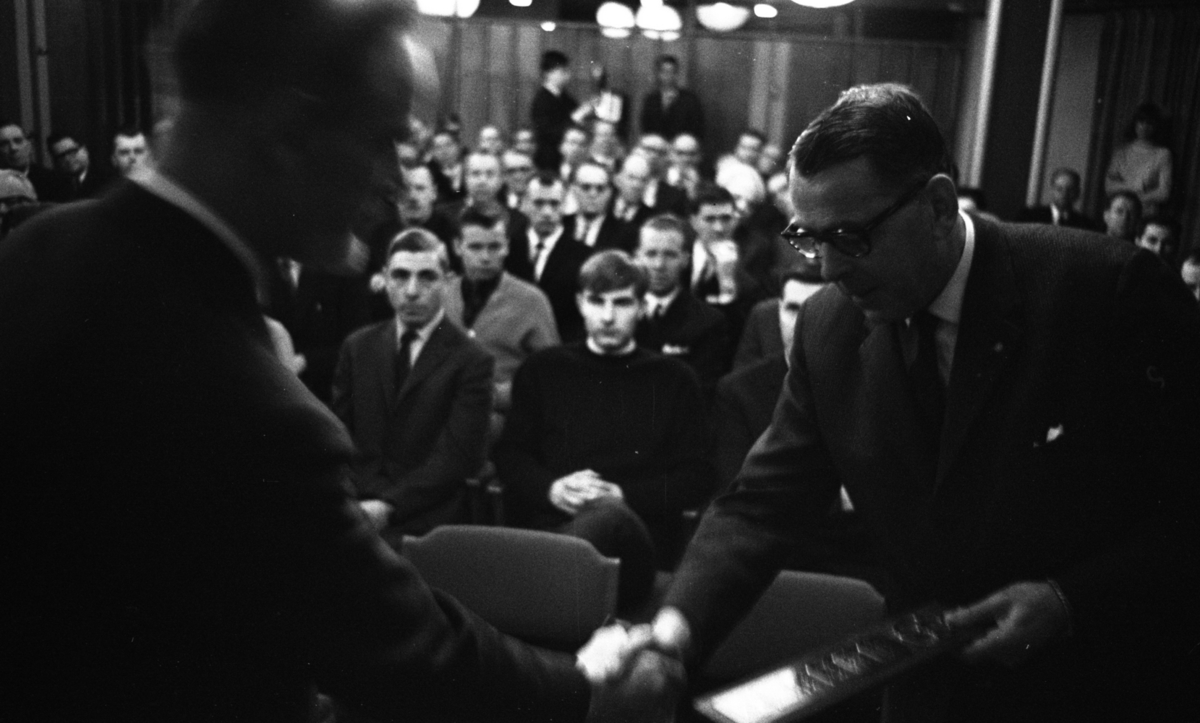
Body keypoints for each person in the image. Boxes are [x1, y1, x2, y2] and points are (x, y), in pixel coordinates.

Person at [0, 1, 674, 719]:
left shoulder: (37, 250)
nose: (395, 182)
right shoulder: (244, 400)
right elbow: (400, 648)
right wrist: (589, 694)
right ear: (291, 131)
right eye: (383, 140)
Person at [583, 83, 1200, 721]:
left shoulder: (1105, 291)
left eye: (851, 237)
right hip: (926, 691)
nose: (828, 270)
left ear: (938, 206)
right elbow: (763, 503)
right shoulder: (830, 326)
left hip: (1099, 685)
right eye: (809, 238)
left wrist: (1069, 600)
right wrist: (671, 635)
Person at [494, 250, 713, 609]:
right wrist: (552, 489)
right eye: (597, 302)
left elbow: (697, 476)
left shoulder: (674, 379)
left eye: (622, 303)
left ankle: (543, 600)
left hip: (637, 542)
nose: (608, 316)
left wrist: (622, 497)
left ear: (641, 307)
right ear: (581, 303)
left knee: (606, 518)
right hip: (553, 527)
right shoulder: (543, 369)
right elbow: (510, 455)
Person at [333, 229, 493, 541]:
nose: (411, 291)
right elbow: (341, 436)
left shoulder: (472, 360)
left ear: (448, 281)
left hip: (428, 513)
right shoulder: (358, 347)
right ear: (385, 278)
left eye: (427, 277)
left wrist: (388, 506)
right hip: (356, 502)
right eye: (400, 276)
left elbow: (459, 457)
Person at [444, 210, 560, 432]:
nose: (485, 257)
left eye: (494, 247)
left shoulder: (531, 300)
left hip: (506, 425)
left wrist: (499, 395)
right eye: (475, 247)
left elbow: (551, 371)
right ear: (457, 247)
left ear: (506, 246)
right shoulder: (442, 295)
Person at [634, 213, 730, 401]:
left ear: (685, 259)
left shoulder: (708, 321)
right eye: (651, 254)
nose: (659, 265)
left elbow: (701, 390)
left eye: (670, 255)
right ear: (637, 256)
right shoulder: (620, 310)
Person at [508, 172, 593, 342]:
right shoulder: (507, 250)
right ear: (524, 203)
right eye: (538, 203)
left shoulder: (584, 256)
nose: (547, 212)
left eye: (554, 204)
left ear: (565, 205)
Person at [1105, 102, 1172, 216]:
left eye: (1149, 123)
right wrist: (1136, 187)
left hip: (1145, 213)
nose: (1144, 127)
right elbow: (1109, 186)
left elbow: (1164, 193)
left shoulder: (1162, 154)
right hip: (1120, 210)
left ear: (1156, 127)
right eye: (1141, 121)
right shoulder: (1121, 152)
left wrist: (1135, 197)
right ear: (1135, 123)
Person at [531, 50, 579, 172]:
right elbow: (547, 132)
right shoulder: (541, 100)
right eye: (563, 72)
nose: (568, 76)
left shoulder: (566, 98)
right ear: (548, 73)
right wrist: (575, 118)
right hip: (549, 158)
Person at [639, 54, 705, 142]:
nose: (668, 76)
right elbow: (646, 128)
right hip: (657, 145)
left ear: (677, 74)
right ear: (659, 74)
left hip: (682, 146)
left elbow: (697, 129)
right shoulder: (651, 100)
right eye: (664, 71)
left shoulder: (690, 99)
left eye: (672, 72)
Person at [0, 120, 70, 201]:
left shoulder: (56, 181)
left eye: (18, 141)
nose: (13, 148)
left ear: (29, 145)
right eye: (4, 144)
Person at [1016, 167, 1101, 230]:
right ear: (1052, 190)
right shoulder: (1029, 216)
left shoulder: (1086, 225)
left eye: (1070, 189)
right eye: (1059, 189)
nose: (1064, 194)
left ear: (1077, 193)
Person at [47, 130, 109, 199]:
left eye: (71, 151)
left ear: (85, 150)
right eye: (61, 156)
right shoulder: (56, 188)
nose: (67, 159)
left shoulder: (107, 180)